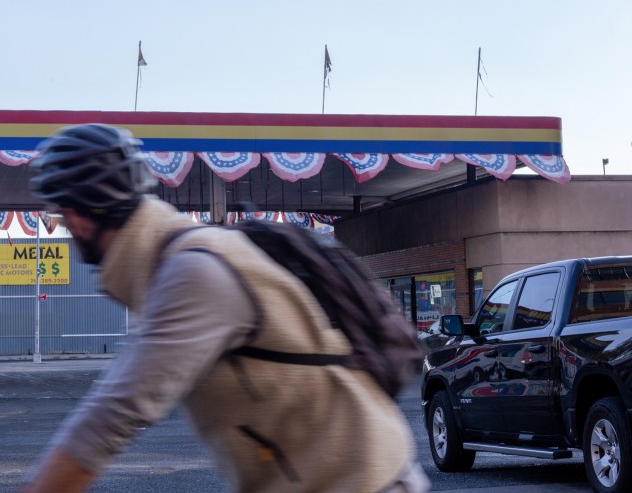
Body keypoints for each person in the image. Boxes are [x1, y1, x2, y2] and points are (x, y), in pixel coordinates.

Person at [22, 124, 428, 493]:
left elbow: (108, 418)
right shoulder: (174, 265)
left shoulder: (193, 272)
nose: (62, 225)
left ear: (77, 216)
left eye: (57, 215)